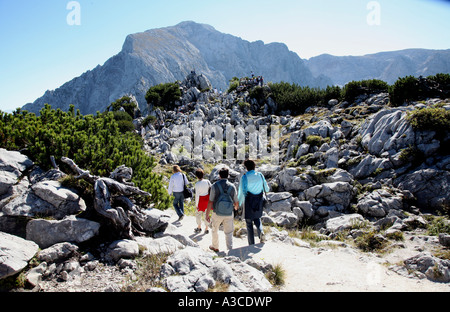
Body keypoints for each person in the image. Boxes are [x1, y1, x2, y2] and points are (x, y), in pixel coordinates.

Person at [206, 167, 239, 252]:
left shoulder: (214, 186)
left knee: (214, 229)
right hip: (229, 212)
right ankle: (230, 249)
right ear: (228, 175)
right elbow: (236, 201)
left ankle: (215, 246)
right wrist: (235, 209)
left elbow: (210, 201)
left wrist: (207, 214)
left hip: (217, 213)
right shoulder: (232, 186)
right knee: (229, 232)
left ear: (219, 176)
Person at [238, 160, 270, 245]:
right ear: (254, 166)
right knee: (257, 219)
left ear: (246, 168)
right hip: (259, 200)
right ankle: (261, 232)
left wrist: (239, 203)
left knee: (249, 223)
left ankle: (251, 243)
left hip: (249, 201)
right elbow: (266, 189)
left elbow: (242, 192)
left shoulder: (244, 177)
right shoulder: (260, 175)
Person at [194, 168, 211, 234]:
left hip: (200, 200)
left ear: (197, 176)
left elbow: (197, 195)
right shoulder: (207, 181)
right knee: (206, 214)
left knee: (198, 214)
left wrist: (196, 205)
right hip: (207, 199)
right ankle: (206, 228)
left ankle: (199, 227)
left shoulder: (197, 184)